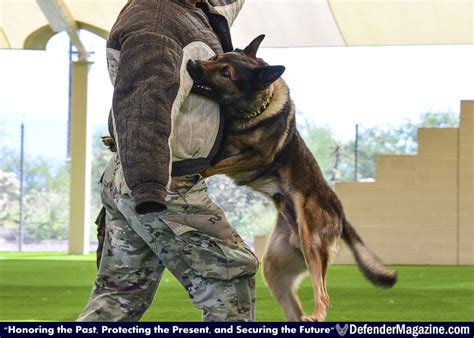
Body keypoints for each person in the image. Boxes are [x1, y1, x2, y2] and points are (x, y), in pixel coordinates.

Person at [77, 0, 258, 322]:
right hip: (162, 181)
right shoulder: (158, 21)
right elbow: (143, 103)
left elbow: (226, 6)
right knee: (229, 274)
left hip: (135, 174)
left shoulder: (190, 14)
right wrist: (149, 187)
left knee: (120, 296)